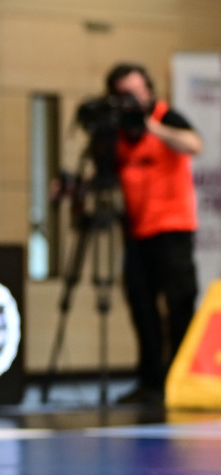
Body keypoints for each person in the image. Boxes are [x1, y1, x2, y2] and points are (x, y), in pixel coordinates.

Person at [106, 63, 202, 404]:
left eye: (137, 91)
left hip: (173, 228)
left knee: (179, 304)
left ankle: (181, 378)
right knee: (141, 306)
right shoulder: (119, 132)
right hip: (137, 230)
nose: (132, 98)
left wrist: (152, 128)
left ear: (148, 90)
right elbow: (108, 175)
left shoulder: (166, 116)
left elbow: (193, 144)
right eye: (124, 94)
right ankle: (151, 381)